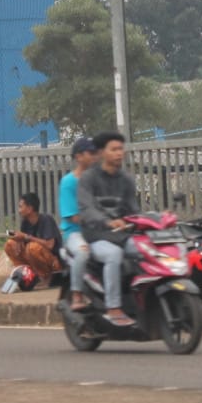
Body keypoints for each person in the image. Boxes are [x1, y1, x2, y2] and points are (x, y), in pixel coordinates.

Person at [77, 130, 140, 327]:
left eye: (121, 149)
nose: (119, 153)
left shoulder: (126, 180)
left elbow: (134, 210)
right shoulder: (88, 178)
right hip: (95, 237)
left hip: (121, 235)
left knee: (146, 249)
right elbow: (87, 209)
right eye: (114, 149)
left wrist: (157, 219)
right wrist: (107, 221)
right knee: (114, 255)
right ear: (102, 152)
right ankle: (114, 308)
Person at [59, 137, 97, 311]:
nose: (94, 156)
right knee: (82, 254)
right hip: (75, 233)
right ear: (79, 157)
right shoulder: (68, 182)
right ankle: (76, 295)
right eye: (90, 153)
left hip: (97, 231)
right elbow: (72, 216)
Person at [3, 192, 64, 289]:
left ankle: (46, 278)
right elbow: (24, 240)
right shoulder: (25, 222)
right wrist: (19, 241)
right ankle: (25, 275)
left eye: (21, 207)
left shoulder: (46, 220)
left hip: (54, 264)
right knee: (10, 244)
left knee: (32, 247)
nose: (19, 211)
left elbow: (50, 245)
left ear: (30, 209)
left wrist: (27, 237)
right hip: (35, 261)